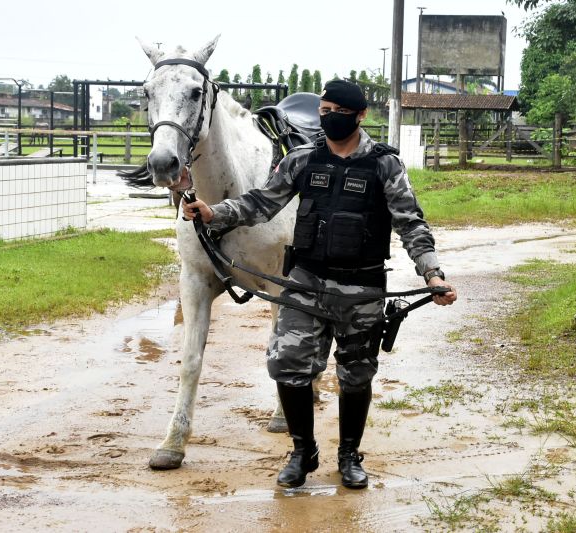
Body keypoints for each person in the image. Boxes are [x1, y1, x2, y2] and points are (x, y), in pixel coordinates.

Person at [183, 79, 457, 489]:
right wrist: (213, 212)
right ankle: (302, 451)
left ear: (360, 115)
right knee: (286, 364)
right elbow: (260, 203)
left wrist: (432, 274)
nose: (329, 119)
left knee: (356, 376)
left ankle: (349, 455)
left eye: (338, 112)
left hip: (362, 287)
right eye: (324, 112)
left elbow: (411, 224)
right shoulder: (301, 160)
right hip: (306, 284)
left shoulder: (385, 165)